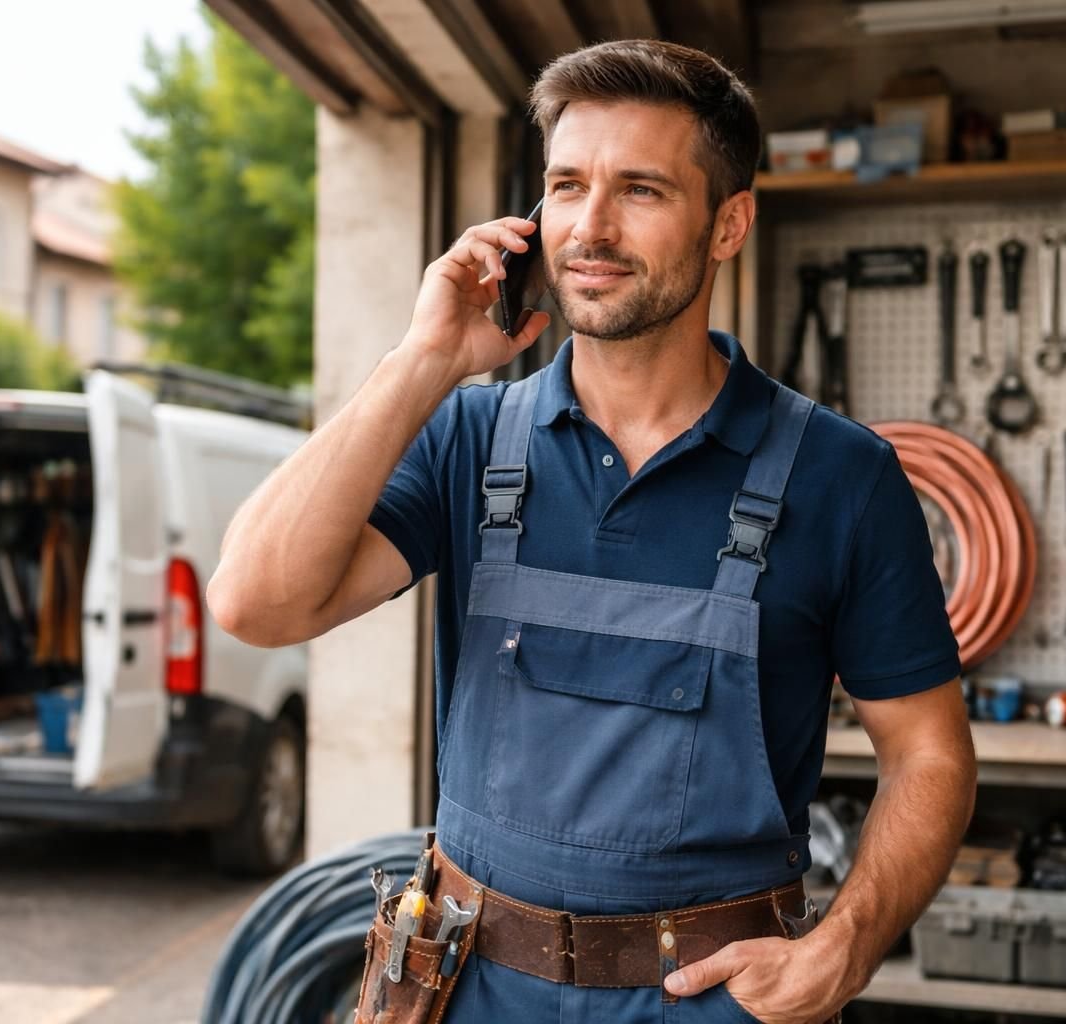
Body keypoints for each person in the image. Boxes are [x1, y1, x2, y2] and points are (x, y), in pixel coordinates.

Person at [208, 38, 975, 1024]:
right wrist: (426, 357)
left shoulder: (841, 476)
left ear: (729, 222)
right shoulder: (469, 438)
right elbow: (254, 602)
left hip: (709, 1001)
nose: (591, 227)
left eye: (641, 190)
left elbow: (930, 754)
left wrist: (848, 944)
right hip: (463, 988)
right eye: (567, 186)